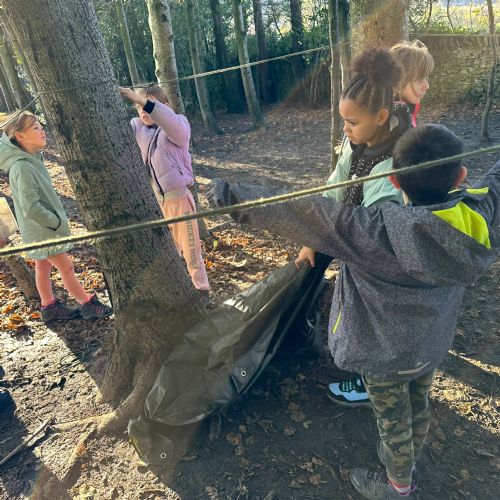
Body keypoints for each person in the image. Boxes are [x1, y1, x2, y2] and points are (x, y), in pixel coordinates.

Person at [207, 124, 499, 498]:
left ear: (393, 180)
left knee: (393, 421)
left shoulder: (373, 230)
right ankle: (405, 459)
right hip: (430, 346)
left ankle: (398, 486)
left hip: (383, 356)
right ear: (461, 176)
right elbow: (496, 181)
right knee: (418, 403)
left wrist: (231, 196)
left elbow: (306, 212)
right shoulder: (479, 218)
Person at [295, 48, 412, 407]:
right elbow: (336, 184)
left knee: (373, 318)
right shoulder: (357, 140)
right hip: (353, 242)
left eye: (352, 122)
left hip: (378, 255)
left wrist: (332, 237)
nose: (345, 129)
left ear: (381, 117)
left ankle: (370, 383)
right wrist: (312, 236)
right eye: (343, 121)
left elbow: (374, 225)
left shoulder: (395, 160)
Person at [0, 112, 113, 323]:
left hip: (40, 230)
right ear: (20, 136)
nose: (42, 131)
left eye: (41, 126)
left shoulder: (31, 161)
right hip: (44, 230)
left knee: (43, 266)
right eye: (35, 127)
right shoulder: (22, 166)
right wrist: (55, 222)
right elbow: (30, 207)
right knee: (66, 268)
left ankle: (49, 307)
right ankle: (87, 304)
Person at [119, 85, 210, 306]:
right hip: (156, 204)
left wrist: (140, 99)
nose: (143, 111)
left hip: (180, 201)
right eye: (138, 107)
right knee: (167, 252)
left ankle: (202, 291)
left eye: (148, 105)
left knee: (191, 250)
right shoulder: (138, 128)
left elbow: (171, 122)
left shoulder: (179, 125)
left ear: (164, 106)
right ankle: (175, 293)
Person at [390, 39, 434, 127]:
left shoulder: (407, 108)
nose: (427, 86)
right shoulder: (394, 121)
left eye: (426, 78)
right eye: (419, 80)